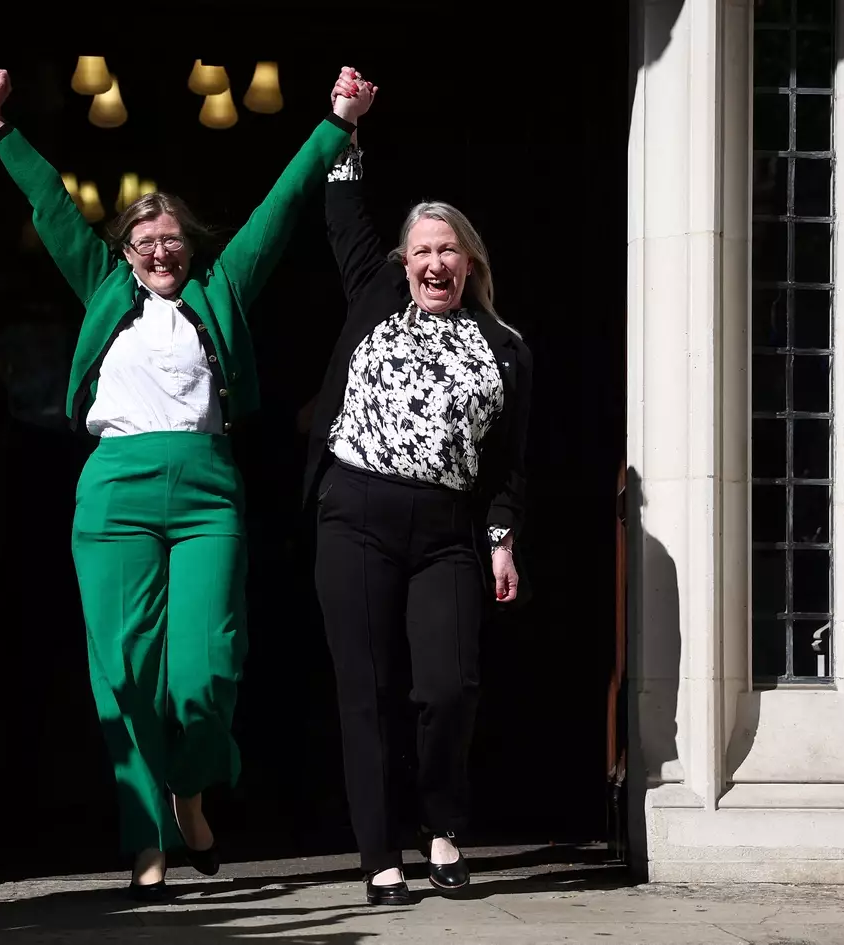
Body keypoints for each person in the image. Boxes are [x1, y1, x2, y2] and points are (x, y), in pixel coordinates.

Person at [0, 65, 367, 898]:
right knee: (124, 670)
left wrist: (335, 124)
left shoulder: (218, 292)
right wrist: (4, 132)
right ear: (122, 253)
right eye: (143, 240)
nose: (159, 249)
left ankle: (191, 787)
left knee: (208, 666)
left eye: (171, 239)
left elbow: (277, 209)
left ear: (191, 248)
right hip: (114, 492)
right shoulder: (100, 290)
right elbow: (53, 207)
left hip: (205, 494)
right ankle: (145, 838)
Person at [305, 69, 533, 906]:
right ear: (403, 264)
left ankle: (442, 825)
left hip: (446, 529)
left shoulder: (505, 346)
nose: (434, 261)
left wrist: (502, 540)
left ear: (468, 261)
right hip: (355, 515)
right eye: (421, 250)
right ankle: (379, 856)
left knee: (447, 685)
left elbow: (509, 460)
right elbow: (342, 213)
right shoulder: (373, 295)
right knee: (362, 692)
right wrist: (346, 127)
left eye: (448, 249)